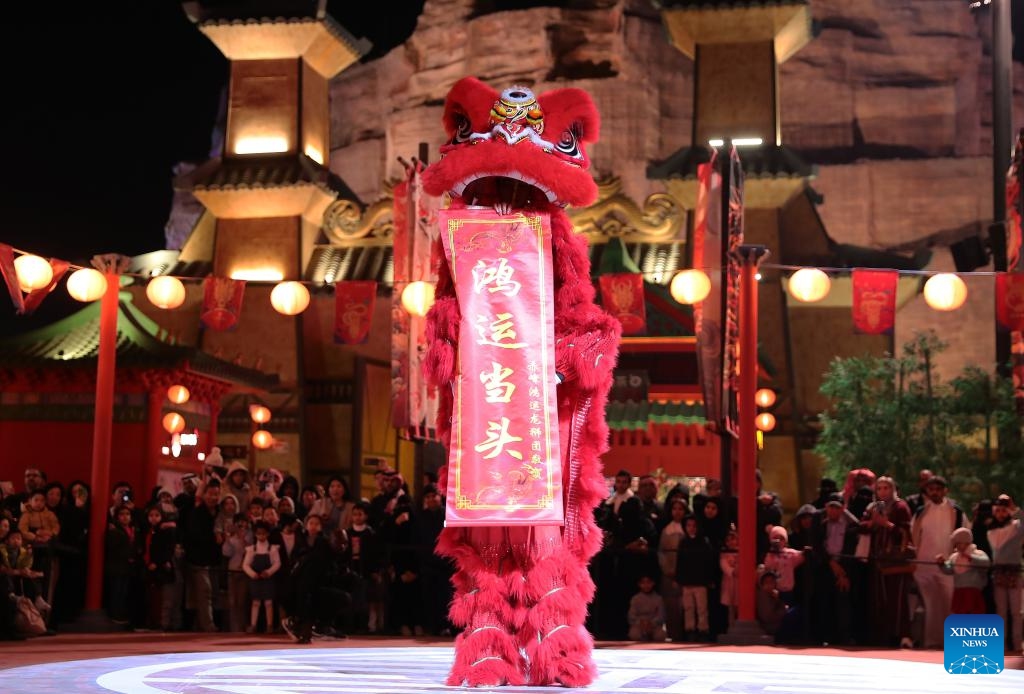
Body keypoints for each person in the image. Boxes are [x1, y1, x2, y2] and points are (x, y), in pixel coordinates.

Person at [910, 475, 965, 648]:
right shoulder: (921, 511)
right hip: (923, 565)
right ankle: (931, 642)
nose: (934, 492)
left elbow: (965, 534)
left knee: (949, 603)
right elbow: (913, 536)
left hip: (948, 565)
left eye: (938, 489)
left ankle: (951, 643)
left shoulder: (956, 511)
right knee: (930, 605)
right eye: (931, 489)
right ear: (926, 491)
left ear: (945, 490)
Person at [862, 476, 914, 648]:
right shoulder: (873, 507)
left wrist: (887, 524)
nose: (883, 492)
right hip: (877, 560)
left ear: (893, 489)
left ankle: (902, 635)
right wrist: (871, 524)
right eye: (879, 488)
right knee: (879, 600)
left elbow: (905, 534)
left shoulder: (900, 506)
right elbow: (862, 526)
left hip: (895, 561)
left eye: (886, 488)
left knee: (897, 599)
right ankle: (882, 636)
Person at [184, 478, 223, 632]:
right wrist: (214, 537)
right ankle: (208, 625)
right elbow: (193, 535)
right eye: (211, 494)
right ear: (205, 494)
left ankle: (203, 623)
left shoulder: (220, 512)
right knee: (204, 592)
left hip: (214, 560)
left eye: (216, 494)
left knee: (213, 594)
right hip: (198, 560)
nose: (213, 497)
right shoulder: (197, 513)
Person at [987, 494, 1024, 654]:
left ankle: (1017, 644)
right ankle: (1001, 645)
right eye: (998, 511)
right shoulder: (991, 531)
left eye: (1004, 510)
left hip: (1014, 571)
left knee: (1016, 611)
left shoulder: (1016, 527)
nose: (1001, 514)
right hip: (999, 572)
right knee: (1001, 611)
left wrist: (1014, 507)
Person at [675, 515, 715, 641]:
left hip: (700, 582)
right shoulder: (683, 542)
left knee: (702, 609)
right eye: (688, 525)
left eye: (694, 526)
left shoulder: (704, 542)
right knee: (688, 608)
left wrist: (709, 579)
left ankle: (703, 630)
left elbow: (709, 563)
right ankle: (689, 630)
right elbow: (679, 563)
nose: (691, 528)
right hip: (687, 582)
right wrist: (679, 579)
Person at [937, 527, 990, 614]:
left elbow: (986, 564)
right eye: (956, 544)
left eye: (959, 543)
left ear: (966, 542)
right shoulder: (955, 557)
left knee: (973, 615)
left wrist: (971, 558)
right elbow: (949, 570)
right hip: (959, 592)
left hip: (973, 593)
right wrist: (942, 564)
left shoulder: (978, 553)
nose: (957, 546)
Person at [141, 505, 177, 631]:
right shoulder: (148, 531)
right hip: (151, 568)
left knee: (166, 599)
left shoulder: (166, 530)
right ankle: (154, 622)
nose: (154, 518)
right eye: (151, 516)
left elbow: (167, 549)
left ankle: (165, 624)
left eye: (157, 515)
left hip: (163, 568)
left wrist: (158, 562)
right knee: (152, 598)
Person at [243, 520, 281, 633]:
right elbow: (245, 564)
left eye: (263, 533)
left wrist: (268, 572)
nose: (261, 536)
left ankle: (269, 626)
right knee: (256, 602)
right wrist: (252, 574)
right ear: (255, 534)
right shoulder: (251, 549)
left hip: (268, 578)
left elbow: (277, 563)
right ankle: (253, 625)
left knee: (268, 602)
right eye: (259, 533)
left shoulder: (272, 549)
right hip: (256, 578)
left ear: (268, 534)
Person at [656, 498, 686, 641]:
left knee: (685, 605)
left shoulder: (688, 529)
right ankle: (672, 633)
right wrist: (666, 568)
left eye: (680, 509)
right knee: (670, 604)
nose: (677, 512)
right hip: (668, 572)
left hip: (684, 573)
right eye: (675, 509)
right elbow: (661, 551)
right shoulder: (666, 530)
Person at [627, 574, 666, 642]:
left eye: (648, 582)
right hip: (639, 625)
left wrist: (651, 623)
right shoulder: (635, 599)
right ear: (639, 584)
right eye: (643, 583)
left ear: (653, 583)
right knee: (634, 634)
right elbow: (631, 616)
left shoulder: (658, 599)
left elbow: (661, 615)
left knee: (660, 635)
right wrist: (641, 622)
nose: (646, 585)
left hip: (654, 625)